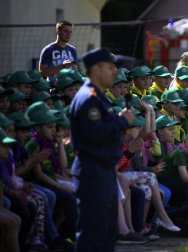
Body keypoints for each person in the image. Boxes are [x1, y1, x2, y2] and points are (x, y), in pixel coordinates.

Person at [70, 48, 135, 252]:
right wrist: (122, 121)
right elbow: (97, 133)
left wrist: (118, 121)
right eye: (110, 68)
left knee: (107, 232)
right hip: (92, 170)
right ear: (96, 70)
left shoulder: (98, 96)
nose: (115, 72)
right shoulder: (88, 98)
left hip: (104, 171)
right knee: (94, 233)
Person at [39, 20, 78, 85]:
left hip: (70, 87)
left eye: (70, 32)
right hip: (53, 87)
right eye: (66, 31)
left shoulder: (72, 50)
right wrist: (61, 66)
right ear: (58, 31)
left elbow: (75, 71)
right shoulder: (48, 50)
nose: (68, 34)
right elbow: (43, 73)